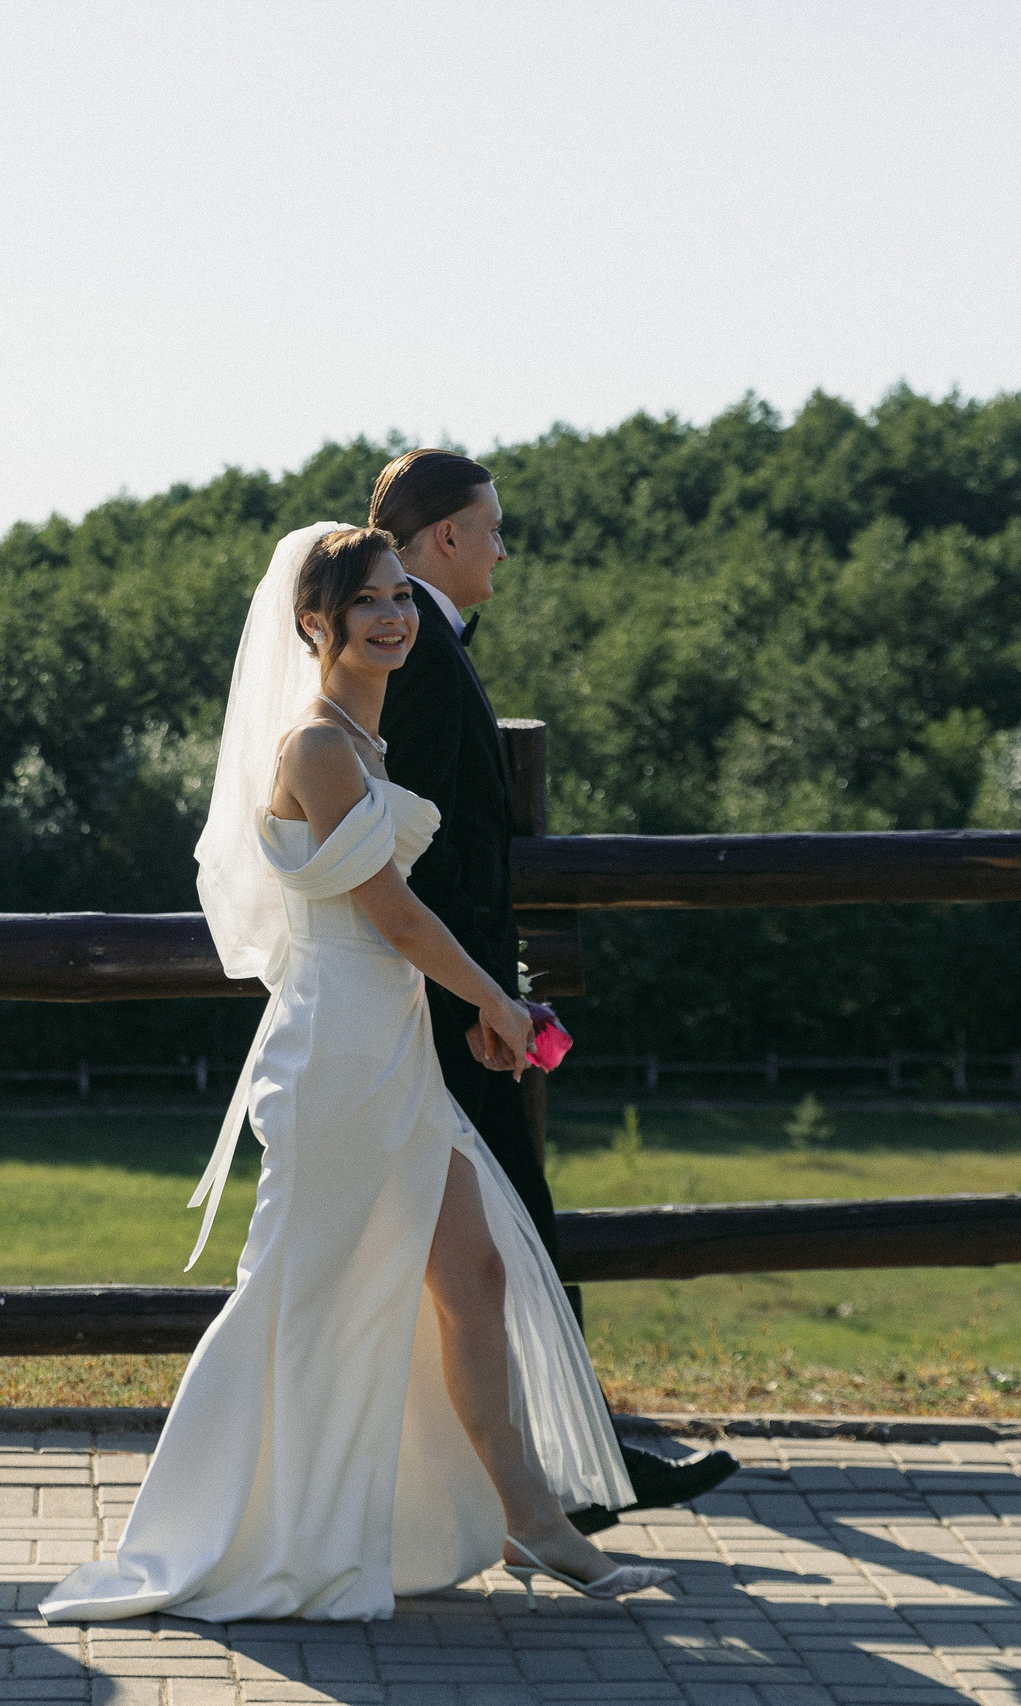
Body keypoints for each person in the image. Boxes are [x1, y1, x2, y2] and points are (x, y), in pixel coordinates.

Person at [41, 524, 675, 1623]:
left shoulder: (367, 743)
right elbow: (391, 913)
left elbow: (397, 924)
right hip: (336, 1048)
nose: (393, 617)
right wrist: (496, 1002)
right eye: (368, 602)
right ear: (314, 623)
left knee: (474, 1277)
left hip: (391, 1038)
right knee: (300, 1289)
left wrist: (470, 1011)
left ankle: (531, 1519)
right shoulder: (319, 750)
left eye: (401, 598)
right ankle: (235, 1525)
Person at [369, 447, 738, 1523]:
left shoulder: (422, 641)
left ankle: (570, 1465)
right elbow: (419, 858)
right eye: (491, 528)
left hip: (453, 998)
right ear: (446, 535)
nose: (502, 548)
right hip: (444, 1012)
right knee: (507, 1234)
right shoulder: (421, 652)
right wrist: (485, 997)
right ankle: (572, 1473)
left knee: (501, 1238)